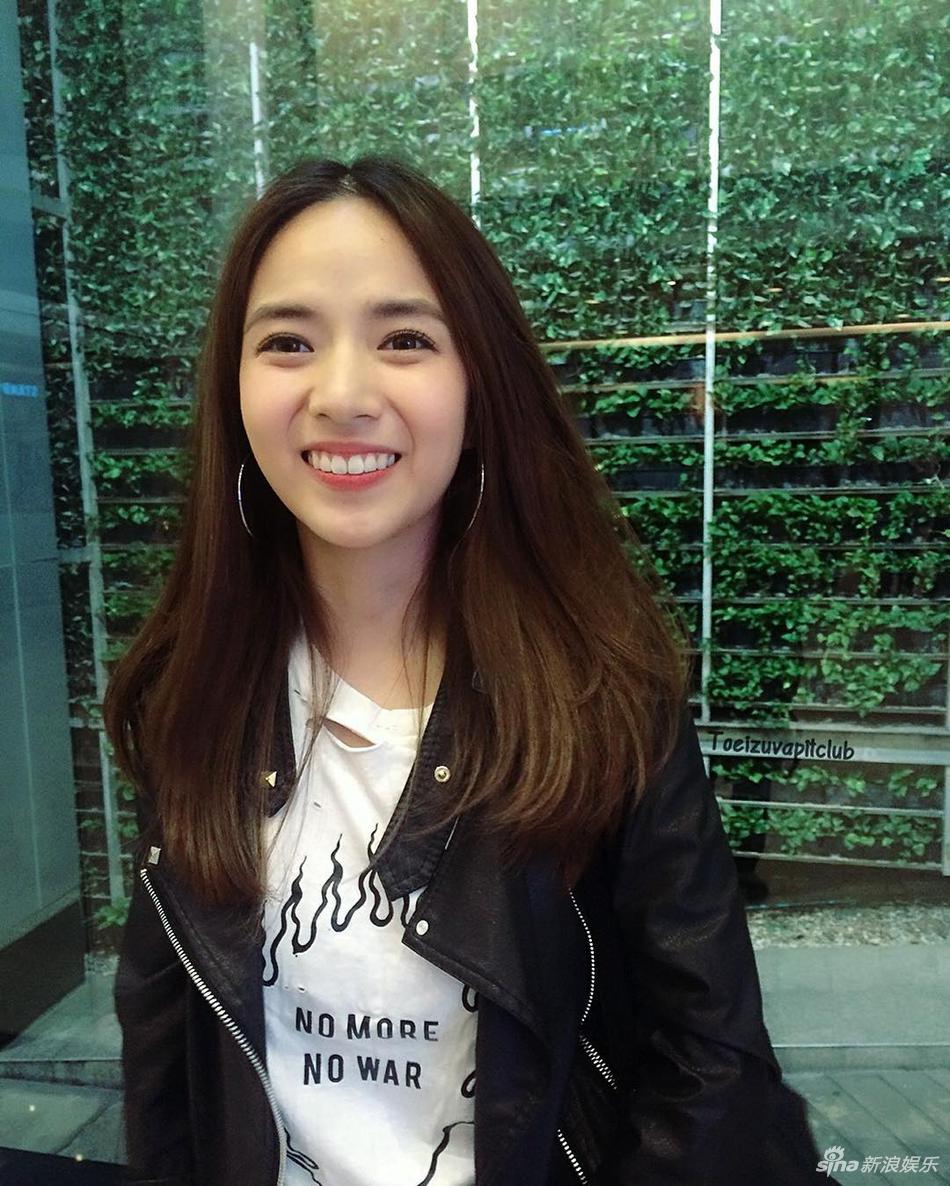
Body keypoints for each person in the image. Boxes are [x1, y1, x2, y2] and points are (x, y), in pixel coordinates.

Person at [105, 157, 831, 1186]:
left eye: (404, 339)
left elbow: (707, 1066)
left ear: (478, 380)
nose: (341, 394)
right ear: (234, 387)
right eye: (287, 342)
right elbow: (164, 1064)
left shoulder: (600, 700)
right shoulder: (193, 695)